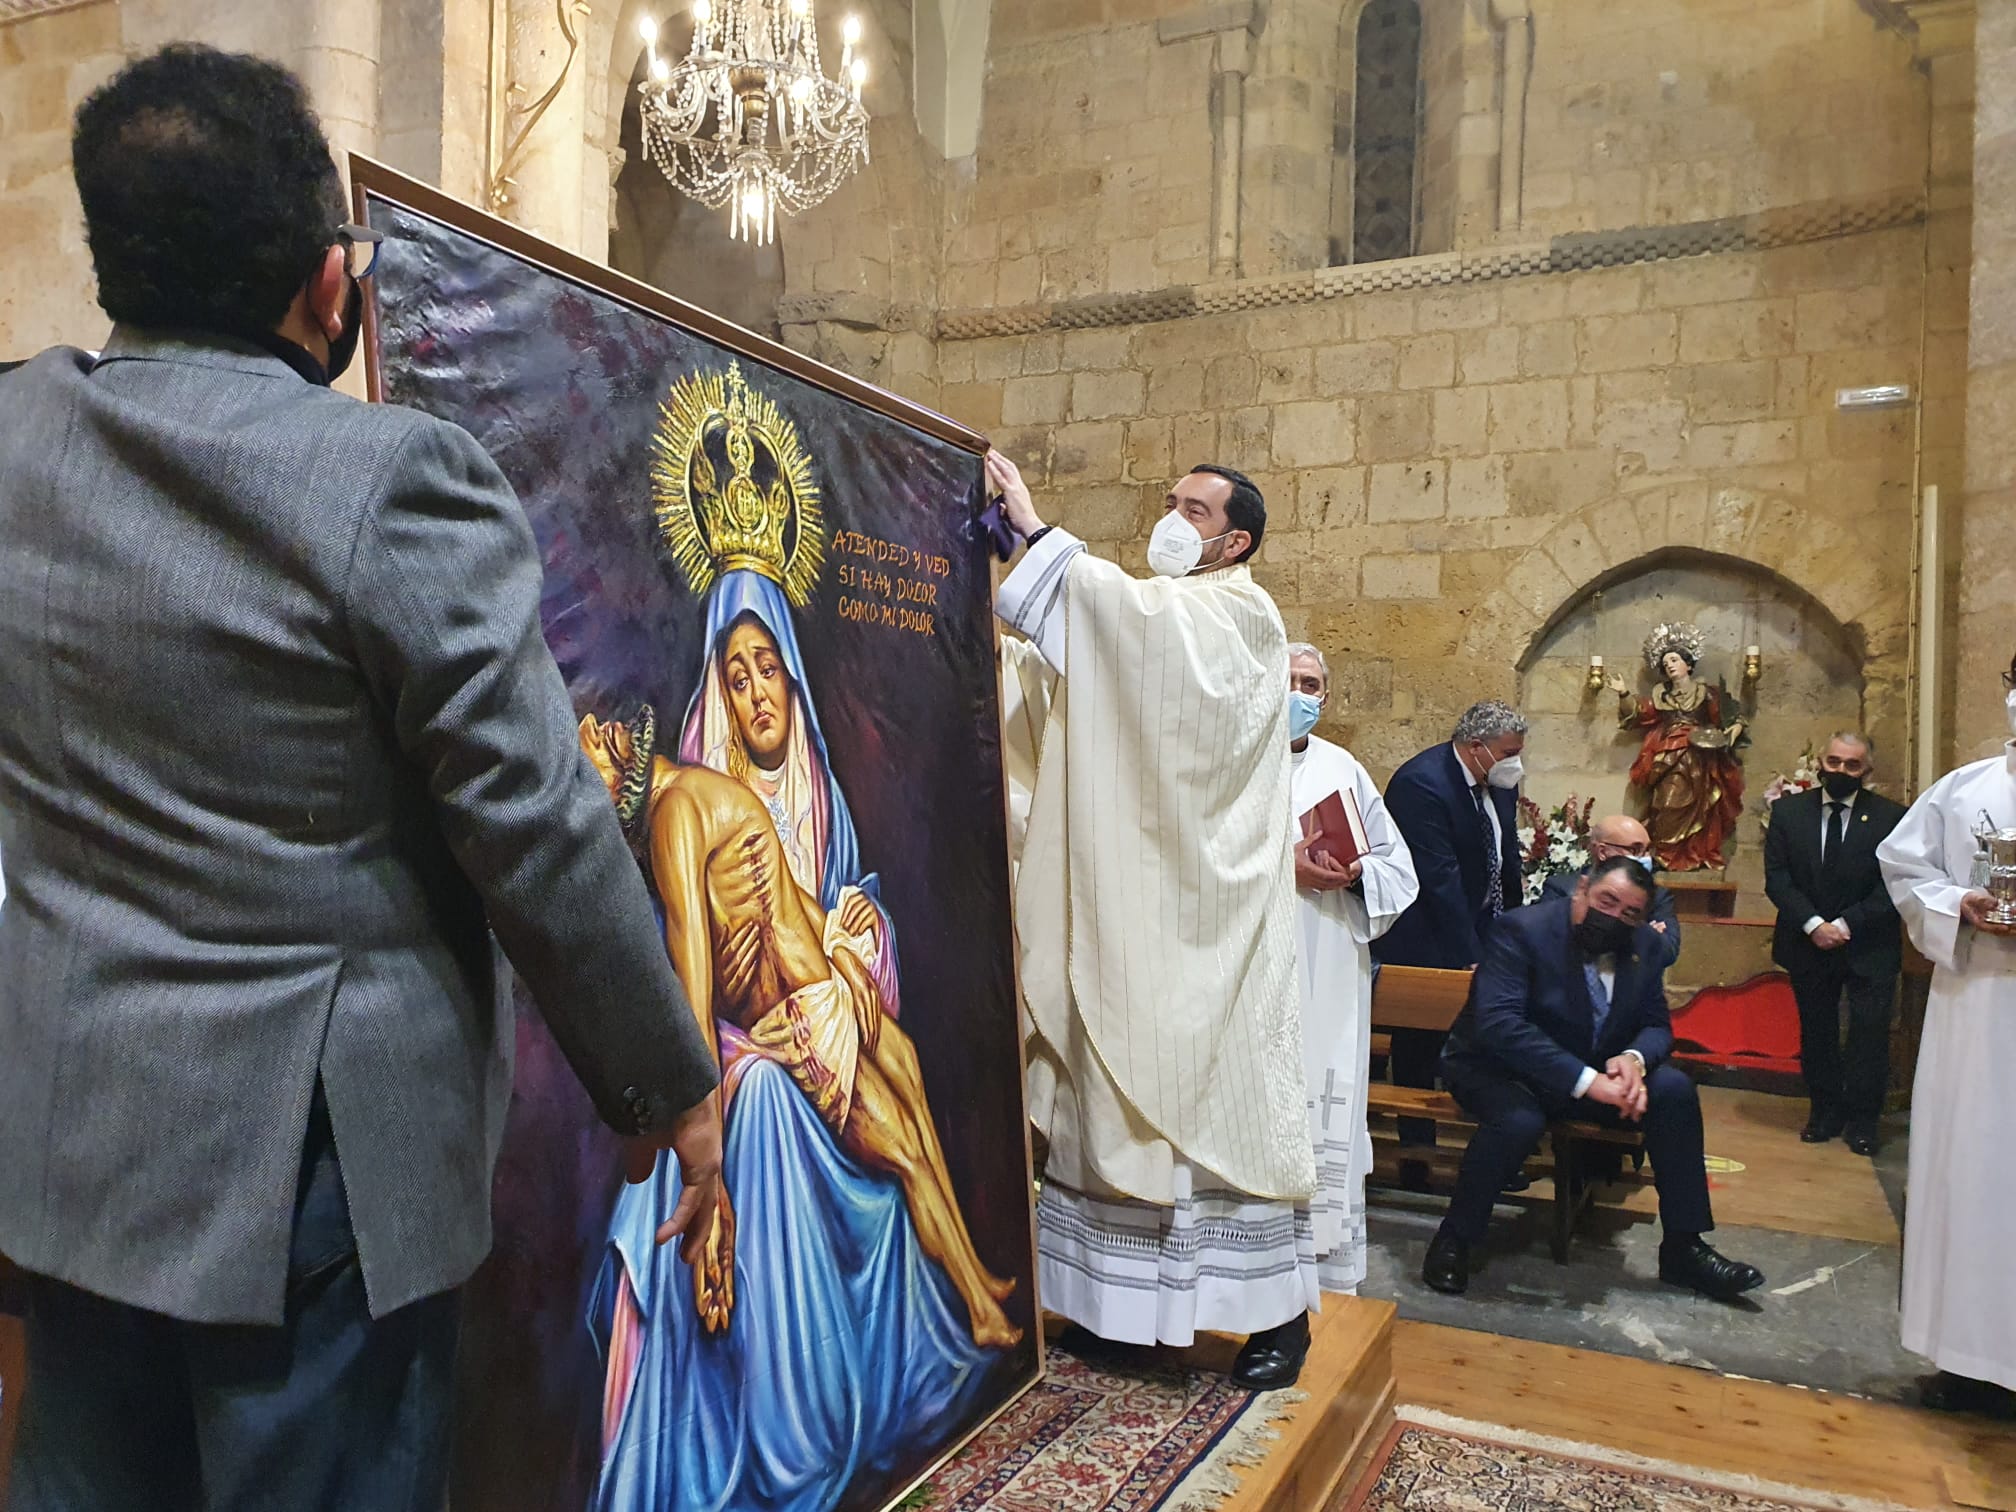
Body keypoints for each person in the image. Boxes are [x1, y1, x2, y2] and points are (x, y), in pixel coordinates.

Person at [0, 47, 723, 1511]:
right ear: (329, 282)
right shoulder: (398, 481)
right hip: (309, 1190)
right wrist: (664, 1080)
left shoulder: (18, 440)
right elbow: (537, 825)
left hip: (70, 1146)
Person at [579, 713, 1019, 1509]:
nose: (590, 730)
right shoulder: (689, 806)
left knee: (912, 1095)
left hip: (816, 1005)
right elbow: (710, 968)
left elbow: (722, 956)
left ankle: (978, 1286)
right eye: (583, 753)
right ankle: (982, 1310)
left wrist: (843, 957)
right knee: (908, 1149)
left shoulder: (681, 807)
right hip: (808, 1010)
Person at [989, 450, 1317, 1389]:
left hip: (1209, 930)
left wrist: (1036, 533)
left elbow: (1133, 632)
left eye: (1196, 510)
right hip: (1133, 917)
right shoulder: (1165, 611)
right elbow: (1102, 666)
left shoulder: (1243, 616)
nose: (1173, 517)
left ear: (1236, 541)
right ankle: (1125, 1316)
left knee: (1225, 1124)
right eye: (1171, 500)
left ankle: (1279, 1323)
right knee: (1113, 1105)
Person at [1424, 857, 1764, 1301]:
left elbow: (1657, 1025)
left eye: (1630, 913)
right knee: (1519, 1120)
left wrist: (1633, 1059)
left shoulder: (1645, 946)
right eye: (1607, 901)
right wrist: (1587, 1080)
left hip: (1591, 1071)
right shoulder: (1522, 930)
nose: (1615, 917)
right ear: (1583, 889)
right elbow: (1500, 1025)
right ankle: (1456, 1238)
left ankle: (1684, 1247)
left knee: (1673, 1090)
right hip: (1499, 1068)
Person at [1876, 651, 2016, 1418]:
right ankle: (1965, 1359)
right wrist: (1957, 904)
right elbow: (1904, 866)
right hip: (1976, 1008)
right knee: (1968, 1173)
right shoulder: (1965, 789)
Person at [1287, 644, 1419, 1293]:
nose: (1298, 694)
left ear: (1327, 697)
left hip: (1332, 961)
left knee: (1324, 1093)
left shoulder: (1344, 770)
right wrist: (1283, 864)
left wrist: (1359, 869)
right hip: (1256, 960)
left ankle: (1321, 1261)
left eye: (1310, 684)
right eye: (1287, 680)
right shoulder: (1230, 762)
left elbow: (1401, 870)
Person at [1373, 701, 1530, 1168]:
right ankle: (1417, 1152)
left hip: (1484, 928)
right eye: (1509, 753)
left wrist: (1515, 937)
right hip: (1425, 938)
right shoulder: (1421, 784)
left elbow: (1506, 860)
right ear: (1477, 747)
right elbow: (1439, 880)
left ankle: (1497, 1151)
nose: (1516, 763)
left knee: (1493, 1044)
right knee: (1419, 1050)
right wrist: (1470, 955)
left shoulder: (1498, 783)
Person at [1763, 732, 1906, 1155]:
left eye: (1852, 764)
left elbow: (1894, 884)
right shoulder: (1788, 812)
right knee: (1818, 1032)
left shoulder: (1892, 817)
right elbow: (1778, 878)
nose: (1841, 770)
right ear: (1821, 763)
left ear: (1867, 770)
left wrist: (1845, 925)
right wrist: (1813, 924)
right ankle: (1824, 1112)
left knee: (1869, 1036)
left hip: (1869, 944)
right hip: (1807, 941)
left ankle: (1863, 1121)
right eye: (1834, 761)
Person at [1607, 624, 1747, 872]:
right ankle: (1665, 855)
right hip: (1667, 759)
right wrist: (1624, 693)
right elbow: (1639, 713)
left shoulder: (1706, 693)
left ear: (1688, 664)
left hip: (1699, 759)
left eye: (1674, 660)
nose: (1670, 665)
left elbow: (1729, 719)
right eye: (1665, 663)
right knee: (1666, 804)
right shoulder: (1662, 696)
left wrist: (1732, 731)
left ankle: (1694, 853)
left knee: (1701, 810)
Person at [1540, 814, 1682, 972]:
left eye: (1647, 850)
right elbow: (1551, 945)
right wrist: (1643, 933)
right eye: (1635, 850)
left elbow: (1667, 952)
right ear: (1602, 851)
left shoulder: (1657, 895)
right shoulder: (1561, 888)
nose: (1646, 857)